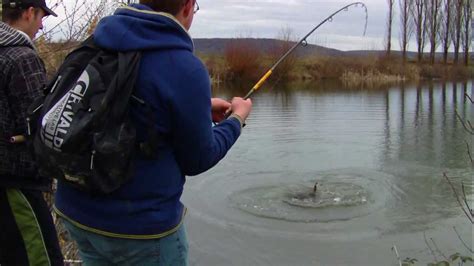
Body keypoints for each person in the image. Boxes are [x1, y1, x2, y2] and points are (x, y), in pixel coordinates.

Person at [54, 0, 253, 265]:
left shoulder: (95, 43)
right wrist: (236, 120)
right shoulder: (184, 67)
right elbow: (199, 159)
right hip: (140, 231)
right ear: (187, 6)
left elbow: (118, 108)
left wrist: (200, 109)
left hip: (75, 212)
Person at [0, 0, 64, 265]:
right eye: (41, 17)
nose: (41, 25)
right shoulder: (23, 57)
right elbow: (42, 123)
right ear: (28, 13)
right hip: (17, 184)